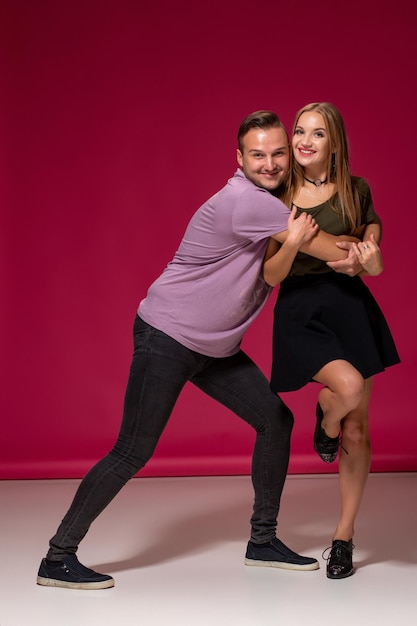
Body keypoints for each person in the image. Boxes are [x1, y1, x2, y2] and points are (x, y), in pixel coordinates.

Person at [37, 110, 358, 590]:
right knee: (132, 451)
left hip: (216, 347)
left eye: (277, 153)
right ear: (239, 158)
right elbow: (334, 250)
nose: (269, 163)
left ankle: (262, 541)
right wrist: (363, 248)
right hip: (168, 335)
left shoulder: (273, 201)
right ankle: (57, 558)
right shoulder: (249, 203)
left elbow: (304, 253)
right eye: (257, 155)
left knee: (275, 420)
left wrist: (356, 242)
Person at [263, 102, 400, 580]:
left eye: (316, 133)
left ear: (333, 142)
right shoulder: (278, 196)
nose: (303, 140)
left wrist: (369, 259)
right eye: (299, 130)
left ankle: (342, 538)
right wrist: (299, 243)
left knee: (359, 431)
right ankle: (325, 420)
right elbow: (270, 272)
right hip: (301, 307)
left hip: (349, 307)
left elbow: (373, 249)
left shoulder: (356, 190)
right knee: (348, 388)